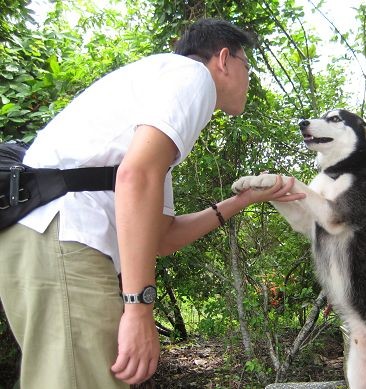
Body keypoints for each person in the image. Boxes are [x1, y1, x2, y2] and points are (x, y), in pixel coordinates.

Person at [0, 18, 304, 388]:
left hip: (43, 240)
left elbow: (162, 237)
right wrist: (139, 309)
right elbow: (136, 177)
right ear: (223, 59)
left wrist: (242, 201)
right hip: (64, 235)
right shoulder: (193, 77)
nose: (250, 78)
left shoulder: (152, 118)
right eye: (247, 65)